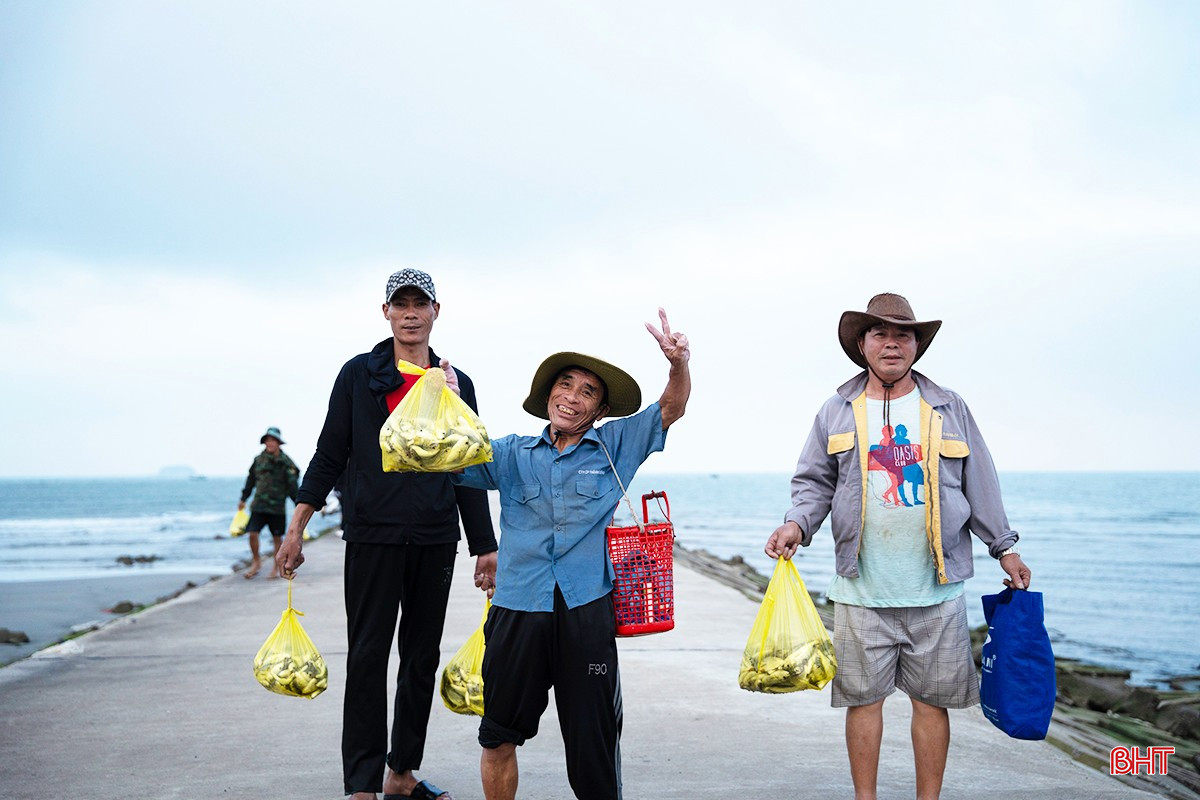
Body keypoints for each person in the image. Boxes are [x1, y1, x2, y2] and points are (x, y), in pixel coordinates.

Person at [764, 293, 1032, 800]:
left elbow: (981, 484)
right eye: (880, 334)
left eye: (902, 334)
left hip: (936, 590)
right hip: (860, 592)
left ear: (916, 346)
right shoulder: (837, 410)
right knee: (863, 703)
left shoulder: (948, 407)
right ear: (862, 345)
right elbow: (814, 484)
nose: (892, 343)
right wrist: (796, 525)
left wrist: (1005, 547)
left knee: (932, 705)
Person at [275, 269, 498, 800]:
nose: (411, 313)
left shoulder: (454, 382)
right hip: (373, 535)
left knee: (421, 658)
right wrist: (296, 527)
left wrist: (484, 544)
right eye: (401, 304)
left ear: (436, 312)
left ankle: (401, 773)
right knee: (369, 654)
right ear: (387, 313)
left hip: (435, 536)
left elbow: (466, 466)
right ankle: (361, 783)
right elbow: (330, 452)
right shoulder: (359, 375)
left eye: (421, 304)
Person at [452, 309, 690, 800]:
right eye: (566, 384)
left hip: (586, 615)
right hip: (518, 611)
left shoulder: (615, 446)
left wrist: (678, 364)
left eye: (588, 392)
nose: (572, 397)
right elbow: (451, 459)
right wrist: (447, 405)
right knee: (497, 736)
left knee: (595, 745)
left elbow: (672, 407)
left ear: (600, 410)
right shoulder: (512, 453)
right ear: (548, 395)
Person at [238, 426, 299, 580]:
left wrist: (298, 504)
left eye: (273, 441)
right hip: (259, 505)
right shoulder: (258, 460)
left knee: (277, 538)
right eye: (267, 441)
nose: (270, 443)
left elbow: (293, 485)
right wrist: (243, 499)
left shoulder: (285, 463)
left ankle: (275, 567)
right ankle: (256, 561)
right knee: (252, 533)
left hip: (277, 507)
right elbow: (250, 480)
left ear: (279, 443)